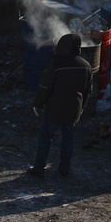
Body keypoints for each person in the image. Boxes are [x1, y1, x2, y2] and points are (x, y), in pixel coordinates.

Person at [27, 33, 95, 179]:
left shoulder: (55, 66)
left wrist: (37, 104)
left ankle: (39, 168)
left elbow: (45, 88)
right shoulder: (86, 66)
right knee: (68, 142)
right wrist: (81, 107)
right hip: (73, 111)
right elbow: (87, 91)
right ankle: (64, 169)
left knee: (45, 138)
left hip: (54, 110)